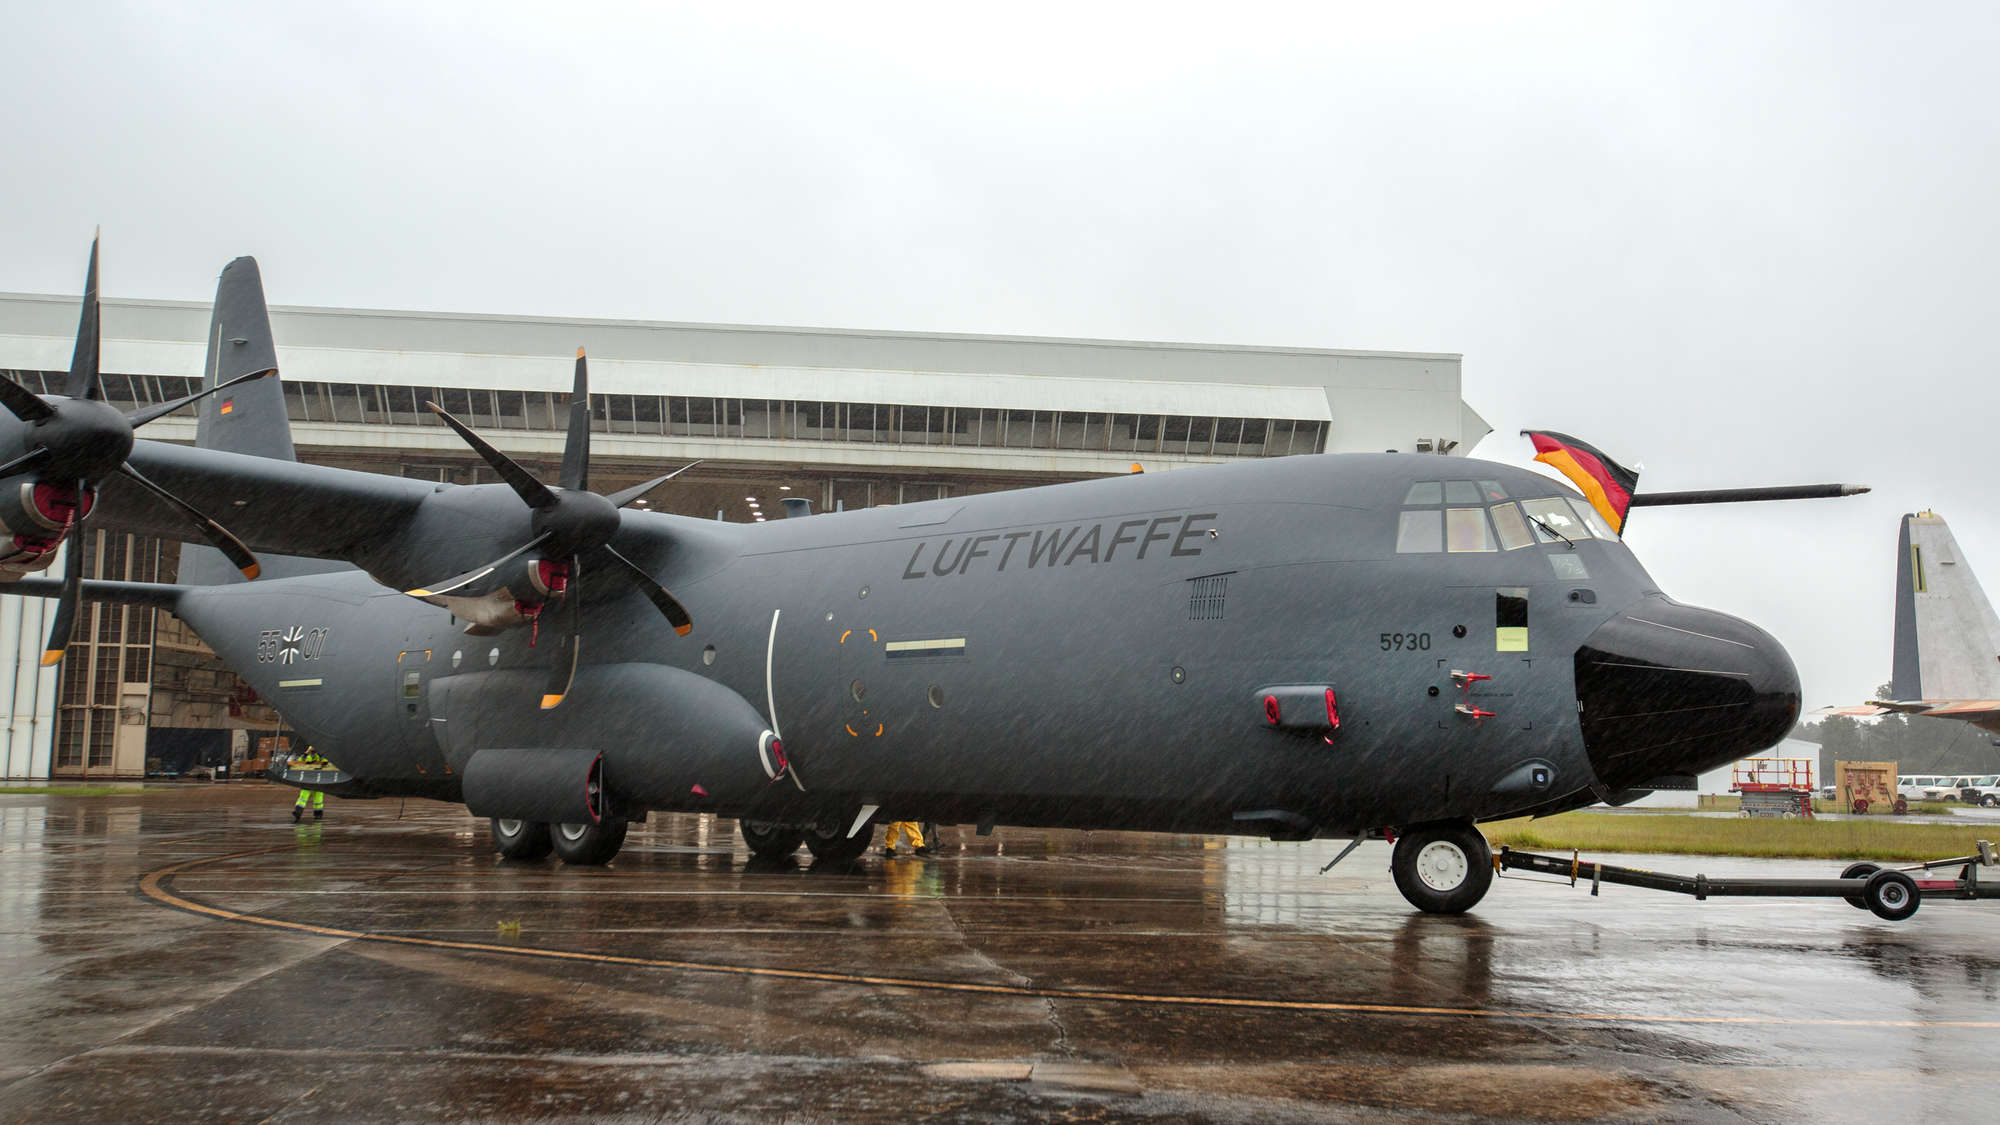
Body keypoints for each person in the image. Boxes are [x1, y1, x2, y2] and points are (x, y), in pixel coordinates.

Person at [289, 747, 334, 822]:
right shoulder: (307, 756)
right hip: (308, 779)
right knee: (303, 796)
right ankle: (298, 813)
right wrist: (306, 754)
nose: (313, 752)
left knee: (318, 798)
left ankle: (318, 815)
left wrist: (320, 756)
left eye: (314, 751)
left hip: (318, 779)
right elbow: (299, 762)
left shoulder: (321, 756)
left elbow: (325, 763)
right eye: (312, 751)